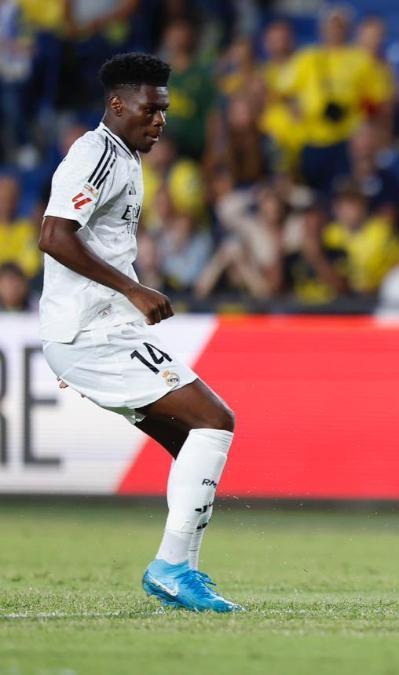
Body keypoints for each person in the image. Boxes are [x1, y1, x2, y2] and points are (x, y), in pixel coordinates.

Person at [36, 53, 241, 613]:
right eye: (151, 109)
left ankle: (180, 570)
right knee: (214, 420)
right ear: (118, 104)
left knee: (193, 442)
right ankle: (171, 568)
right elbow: (53, 235)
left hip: (106, 329)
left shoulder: (124, 156)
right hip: (90, 332)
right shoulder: (96, 154)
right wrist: (132, 289)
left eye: (165, 111)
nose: (160, 121)